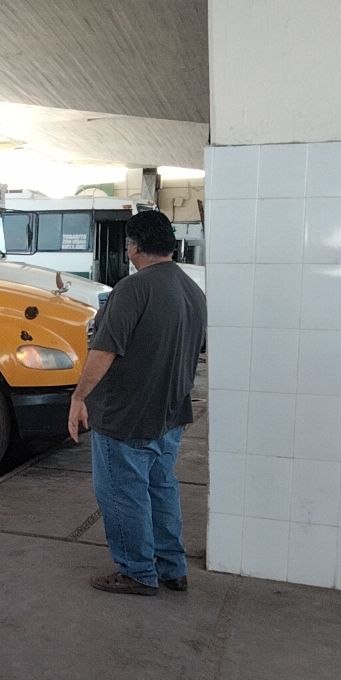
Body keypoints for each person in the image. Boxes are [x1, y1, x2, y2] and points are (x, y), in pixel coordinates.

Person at [66, 210, 207, 596]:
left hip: (126, 417)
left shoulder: (132, 289)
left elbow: (104, 351)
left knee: (122, 493)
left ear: (133, 247)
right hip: (170, 415)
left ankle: (137, 571)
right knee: (161, 489)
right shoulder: (192, 290)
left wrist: (79, 397)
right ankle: (171, 568)